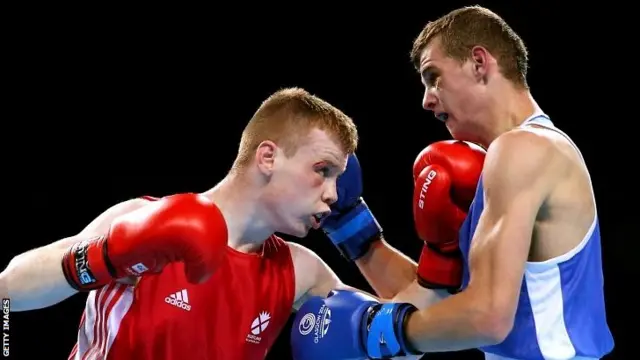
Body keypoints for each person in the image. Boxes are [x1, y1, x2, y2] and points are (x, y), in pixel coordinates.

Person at [290, 5, 615, 360]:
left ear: (479, 63)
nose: (427, 100)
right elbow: (439, 305)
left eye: (434, 77)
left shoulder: (524, 149)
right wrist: (351, 224)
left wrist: (372, 330)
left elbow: (487, 317)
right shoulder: (506, 165)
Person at [0, 87, 419, 360]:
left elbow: (412, 333)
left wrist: (362, 239)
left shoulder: (299, 269)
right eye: (323, 170)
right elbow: (7, 291)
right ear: (268, 157)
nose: (332, 194)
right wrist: (107, 257)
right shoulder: (143, 218)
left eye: (337, 179)